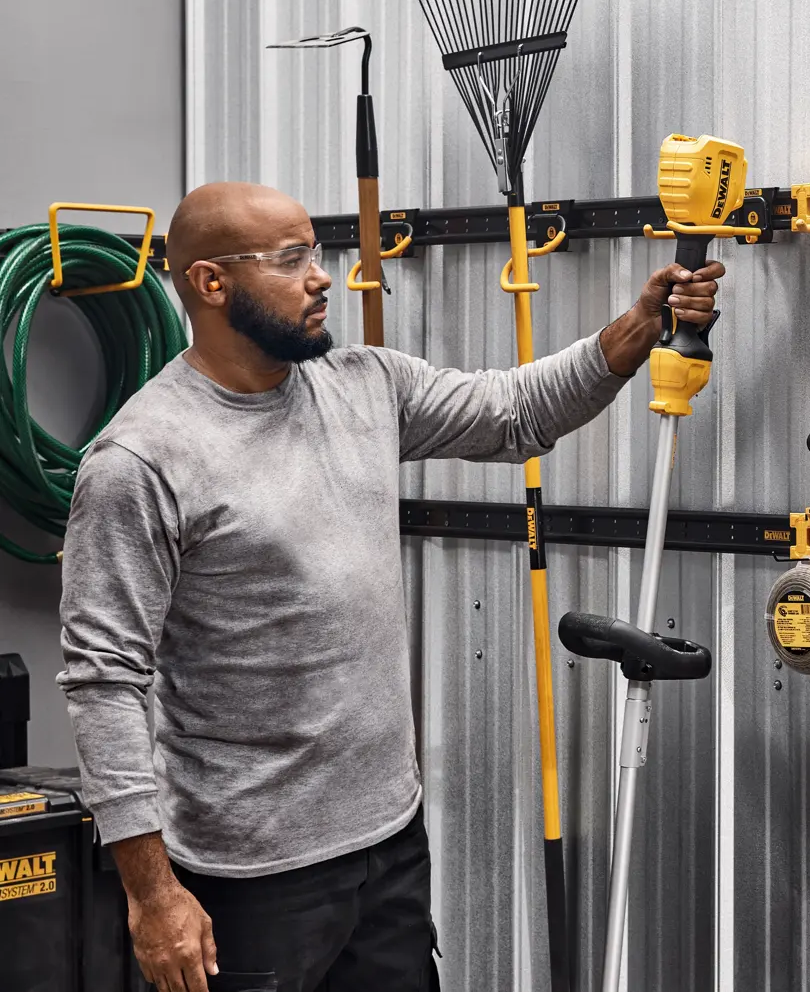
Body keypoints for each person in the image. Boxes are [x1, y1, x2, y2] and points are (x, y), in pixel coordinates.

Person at [56, 181, 725, 992]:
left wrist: (640, 327)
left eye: (318, 251)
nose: (321, 276)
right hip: (253, 874)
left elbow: (514, 411)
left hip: (390, 844)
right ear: (210, 282)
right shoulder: (142, 460)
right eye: (291, 257)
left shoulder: (364, 385)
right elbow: (105, 682)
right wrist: (152, 892)